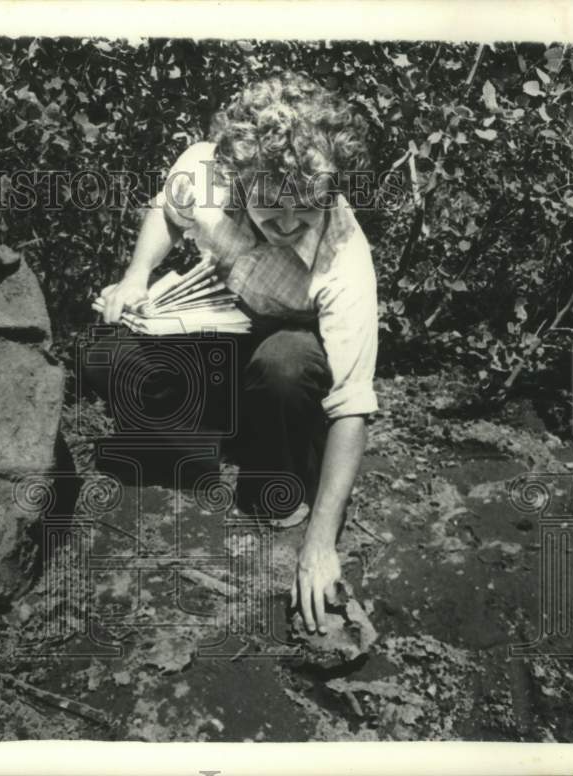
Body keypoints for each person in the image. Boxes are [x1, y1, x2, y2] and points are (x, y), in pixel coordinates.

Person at [89, 72, 378, 635]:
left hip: (284, 352)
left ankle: (280, 483)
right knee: (109, 360)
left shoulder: (344, 253)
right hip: (218, 325)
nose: (290, 223)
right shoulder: (203, 168)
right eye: (273, 206)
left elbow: (353, 405)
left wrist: (319, 547)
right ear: (238, 178)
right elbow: (168, 213)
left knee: (285, 364)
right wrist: (135, 277)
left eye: (307, 208)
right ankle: (224, 438)